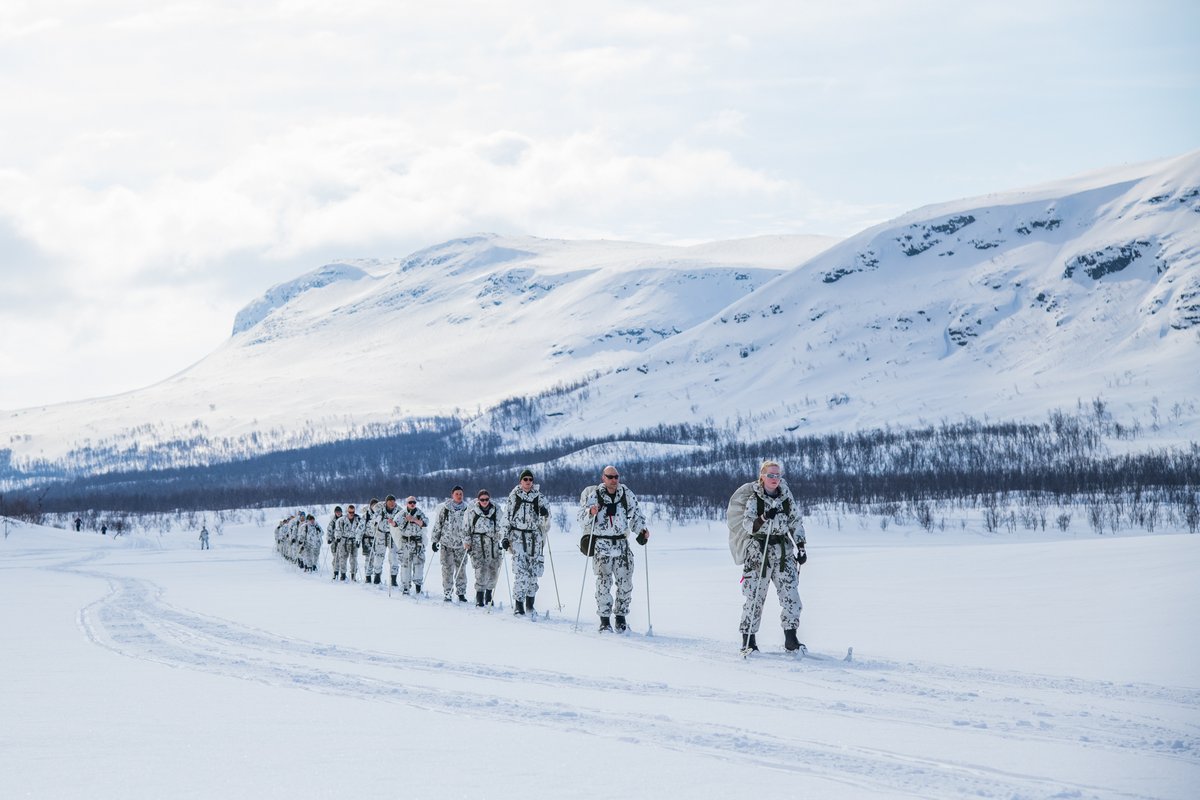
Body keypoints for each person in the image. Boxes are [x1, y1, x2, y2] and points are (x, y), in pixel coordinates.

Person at [727, 459, 806, 654]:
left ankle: (791, 638)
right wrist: (764, 518)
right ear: (762, 476)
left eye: (777, 475)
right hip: (758, 554)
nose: (774, 479)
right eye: (770, 475)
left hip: (783, 553)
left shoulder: (786, 498)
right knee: (754, 597)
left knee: (791, 596)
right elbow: (747, 524)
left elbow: (795, 522)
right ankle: (749, 640)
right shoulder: (755, 498)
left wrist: (801, 546)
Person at [577, 466, 649, 632]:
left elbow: (636, 516)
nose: (614, 480)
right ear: (603, 478)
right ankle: (604, 620)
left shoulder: (626, 494)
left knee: (626, 583)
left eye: (616, 477)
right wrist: (590, 512)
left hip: (622, 545)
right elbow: (581, 519)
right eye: (610, 477)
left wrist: (642, 530)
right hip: (602, 546)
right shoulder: (594, 495)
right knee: (603, 583)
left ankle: (621, 617)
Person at [502, 468, 551, 616]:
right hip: (517, 536)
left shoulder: (540, 497)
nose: (528, 482)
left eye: (530, 479)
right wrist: (504, 536)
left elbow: (546, 522)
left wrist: (544, 514)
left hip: (535, 538)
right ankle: (519, 604)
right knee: (520, 571)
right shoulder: (514, 496)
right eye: (525, 479)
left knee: (533, 571)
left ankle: (530, 604)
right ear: (520, 481)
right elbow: (507, 517)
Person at [431, 486, 470, 602]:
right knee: (447, 569)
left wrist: (469, 541)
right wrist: (434, 540)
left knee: (461, 570)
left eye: (461, 494)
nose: (459, 496)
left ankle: (461, 593)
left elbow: (470, 527)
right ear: (452, 495)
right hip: (446, 544)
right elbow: (438, 524)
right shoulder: (445, 509)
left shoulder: (467, 509)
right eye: (457, 493)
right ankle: (447, 592)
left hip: (461, 545)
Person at [463, 489, 502, 607]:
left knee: (494, 570)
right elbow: (466, 528)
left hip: (493, 543)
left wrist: (504, 538)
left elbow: (503, 524)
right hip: (477, 544)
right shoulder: (472, 511)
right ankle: (479, 595)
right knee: (481, 570)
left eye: (486, 499)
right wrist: (466, 541)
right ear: (478, 500)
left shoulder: (496, 510)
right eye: (482, 500)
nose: (484, 502)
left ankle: (489, 594)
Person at [395, 496, 428, 594]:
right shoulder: (402, 513)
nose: (412, 504)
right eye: (410, 502)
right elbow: (396, 523)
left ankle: (418, 586)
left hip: (417, 542)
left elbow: (426, 522)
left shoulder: (420, 513)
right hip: (406, 542)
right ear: (407, 503)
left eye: (414, 502)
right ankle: (405, 587)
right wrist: (391, 523)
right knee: (405, 565)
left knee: (419, 565)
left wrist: (414, 519)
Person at [367, 496, 400, 585]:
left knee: (393, 557)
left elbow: (401, 521)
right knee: (379, 556)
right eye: (390, 502)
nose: (392, 503)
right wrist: (376, 520)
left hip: (392, 535)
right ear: (386, 502)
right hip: (381, 534)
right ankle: (377, 576)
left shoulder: (398, 510)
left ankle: (393, 578)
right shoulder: (379, 508)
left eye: (393, 501)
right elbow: (372, 521)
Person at [339, 504, 365, 582]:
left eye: (353, 512)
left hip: (354, 540)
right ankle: (343, 575)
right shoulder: (342, 520)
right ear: (347, 511)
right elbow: (338, 529)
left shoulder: (358, 519)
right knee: (343, 558)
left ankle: (353, 575)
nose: (351, 514)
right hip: (344, 540)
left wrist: (358, 540)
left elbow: (361, 530)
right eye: (350, 512)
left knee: (353, 559)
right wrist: (337, 538)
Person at [327, 506, 344, 579]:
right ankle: (335, 572)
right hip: (335, 542)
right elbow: (329, 531)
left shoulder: (344, 519)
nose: (338, 513)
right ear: (335, 513)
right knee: (336, 557)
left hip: (343, 542)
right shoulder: (332, 522)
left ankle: (343, 573)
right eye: (337, 512)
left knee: (342, 558)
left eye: (339, 512)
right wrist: (329, 539)